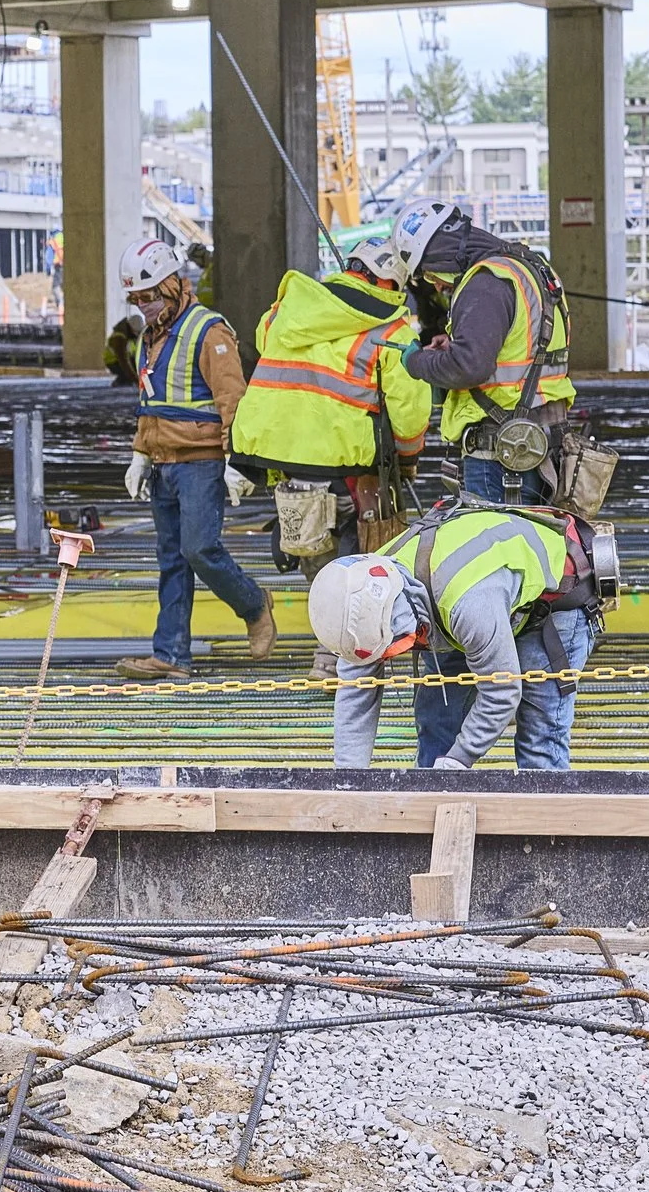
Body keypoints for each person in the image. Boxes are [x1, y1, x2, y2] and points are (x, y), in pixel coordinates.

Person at [308, 502, 601, 771]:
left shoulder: (469, 607)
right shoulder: (360, 598)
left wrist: (459, 759)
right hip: (462, 606)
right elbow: (356, 693)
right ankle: (431, 798)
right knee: (438, 720)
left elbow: (502, 693)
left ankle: (545, 811)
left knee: (539, 740)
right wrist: (348, 781)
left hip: (555, 599)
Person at [117, 238, 276, 679]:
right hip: (163, 462)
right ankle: (170, 654)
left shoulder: (209, 332)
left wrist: (237, 461)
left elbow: (233, 400)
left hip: (200, 463)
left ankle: (253, 604)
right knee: (171, 559)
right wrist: (140, 454)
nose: (142, 306)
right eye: (135, 299)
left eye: (148, 297)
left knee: (199, 549)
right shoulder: (149, 338)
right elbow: (151, 402)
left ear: (171, 286)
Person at [231, 238, 430, 575]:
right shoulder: (394, 333)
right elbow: (409, 413)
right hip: (349, 467)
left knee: (317, 561)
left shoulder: (285, 311)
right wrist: (408, 459)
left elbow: (265, 340)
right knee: (358, 569)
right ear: (392, 281)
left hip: (284, 459)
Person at [390, 200, 574, 503]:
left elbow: (468, 367)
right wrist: (455, 346)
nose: (435, 285)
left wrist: (417, 361)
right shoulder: (529, 267)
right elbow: (521, 348)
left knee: (495, 534)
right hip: (543, 441)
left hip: (501, 454)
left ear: (438, 252)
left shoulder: (484, 282)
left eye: (429, 273)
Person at [102, 312, 142, 387]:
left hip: (123, 361)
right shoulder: (119, 338)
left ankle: (126, 380)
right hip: (113, 362)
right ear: (131, 329)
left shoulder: (129, 337)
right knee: (127, 372)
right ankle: (122, 381)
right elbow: (124, 362)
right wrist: (135, 379)